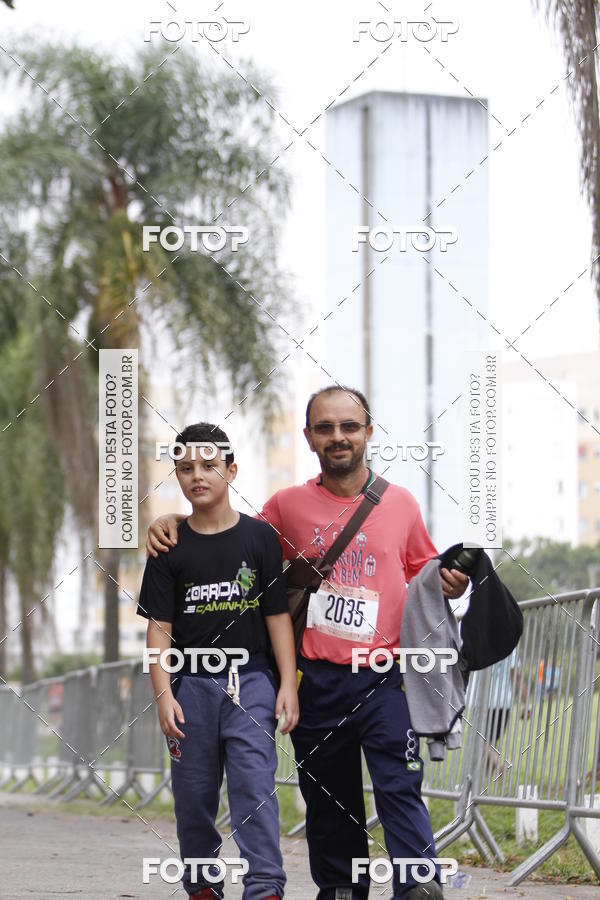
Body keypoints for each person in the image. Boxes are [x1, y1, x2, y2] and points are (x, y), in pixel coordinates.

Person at [147, 388, 469, 900]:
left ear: (368, 432)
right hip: (316, 679)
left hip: (385, 677)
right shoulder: (286, 507)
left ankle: (417, 884)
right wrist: (173, 523)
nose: (338, 437)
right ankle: (340, 888)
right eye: (325, 428)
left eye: (349, 426)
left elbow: (424, 569)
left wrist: (451, 581)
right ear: (309, 437)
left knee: (399, 783)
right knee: (328, 794)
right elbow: (226, 533)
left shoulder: (401, 504)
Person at [138, 422, 298, 900]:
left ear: (231, 470)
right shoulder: (168, 546)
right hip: (190, 688)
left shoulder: (260, 538)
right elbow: (159, 629)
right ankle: (202, 885)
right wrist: (162, 695)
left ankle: (265, 886)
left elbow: (277, 617)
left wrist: (287, 684)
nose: (198, 476)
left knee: (254, 788)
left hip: (251, 682)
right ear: (177, 476)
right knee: (193, 796)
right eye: (186, 468)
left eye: (209, 466)